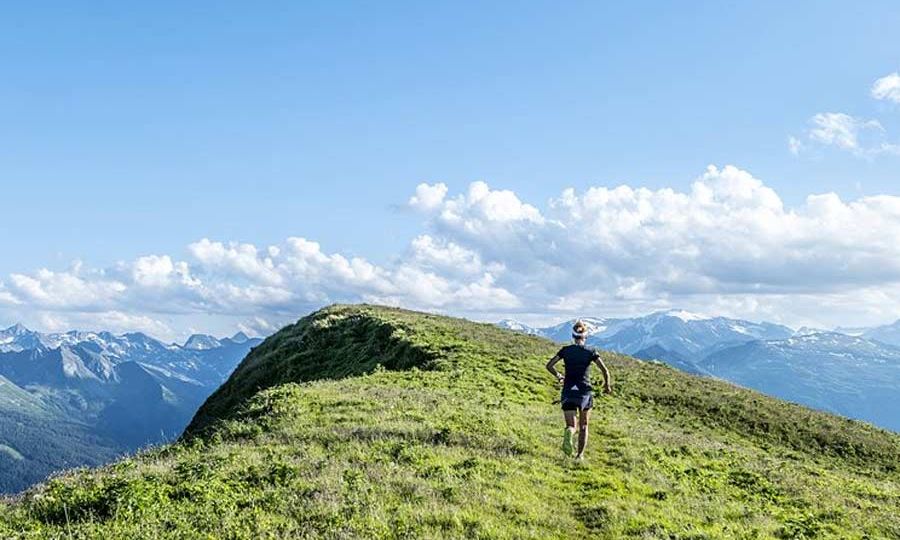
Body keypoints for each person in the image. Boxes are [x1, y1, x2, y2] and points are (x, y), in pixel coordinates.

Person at [545, 320, 612, 460]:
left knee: (571, 425)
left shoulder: (565, 351)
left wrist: (558, 376)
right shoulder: (591, 352)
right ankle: (579, 455)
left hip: (568, 390)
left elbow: (549, 365)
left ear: (573, 336)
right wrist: (607, 386)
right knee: (584, 426)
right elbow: (604, 370)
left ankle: (569, 431)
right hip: (584, 392)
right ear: (585, 336)